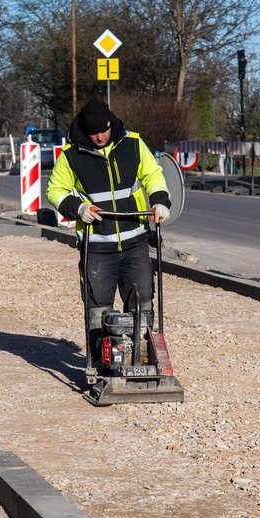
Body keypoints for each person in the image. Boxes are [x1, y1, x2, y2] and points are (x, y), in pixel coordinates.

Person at [46, 99, 171, 359]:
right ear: (85, 130)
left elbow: (153, 175)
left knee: (142, 302)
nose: (100, 136)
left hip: (135, 240)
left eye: (104, 130)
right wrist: (77, 207)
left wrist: (160, 200)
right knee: (98, 307)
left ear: (111, 124)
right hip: (97, 246)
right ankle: (100, 363)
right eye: (94, 133)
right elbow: (55, 190)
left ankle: (143, 356)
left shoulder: (133, 144)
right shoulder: (72, 155)